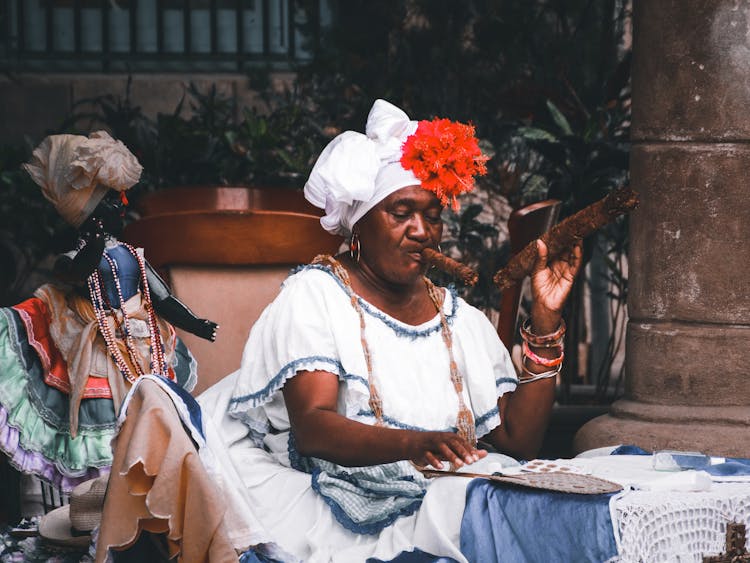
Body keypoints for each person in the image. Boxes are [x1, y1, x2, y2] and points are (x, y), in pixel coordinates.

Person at [198, 99, 582, 562]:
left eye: (433, 214)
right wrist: (412, 444)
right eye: (401, 212)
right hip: (339, 503)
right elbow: (314, 429)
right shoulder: (315, 298)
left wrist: (544, 319)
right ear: (359, 224)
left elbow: (519, 441)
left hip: (440, 492)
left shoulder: (458, 320)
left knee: (549, 511)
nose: (422, 230)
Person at [0, 131, 217, 493]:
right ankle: (99, 486)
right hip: (97, 345)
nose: (122, 205)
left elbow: (161, 298)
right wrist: (93, 250)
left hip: (143, 343)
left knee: (153, 405)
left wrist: (194, 322)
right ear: (88, 209)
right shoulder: (74, 257)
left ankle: (148, 478)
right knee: (101, 412)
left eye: (120, 199)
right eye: (111, 201)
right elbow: (72, 274)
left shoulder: (131, 254)